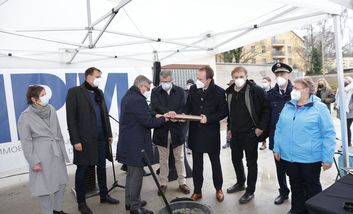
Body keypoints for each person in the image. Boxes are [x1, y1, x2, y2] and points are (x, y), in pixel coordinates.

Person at [273, 77, 336, 214]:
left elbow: (328, 134)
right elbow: (279, 128)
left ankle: (314, 210)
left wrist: (327, 157)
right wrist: (277, 148)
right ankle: (297, 209)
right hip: (289, 157)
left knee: (311, 187)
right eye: (293, 88)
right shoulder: (288, 105)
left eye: (296, 88)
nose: (292, 90)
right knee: (295, 185)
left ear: (307, 89)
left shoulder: (319, 108)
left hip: (310, 158)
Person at [66, 67, 119, 214]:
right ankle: (81, 202)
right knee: (82, 170)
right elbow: (71, 119)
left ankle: (104, 194)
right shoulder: (75, 92)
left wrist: (108, 134)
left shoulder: (99, 92)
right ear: (88, 77)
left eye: (100, 76)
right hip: (84, 140)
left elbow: (104, 115)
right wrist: (75, 140)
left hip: (101, 138)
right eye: (97, 76)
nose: (99, 79)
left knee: (102, 168)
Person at [117, 75, 168, 214]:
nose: (148, 91)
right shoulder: (137, 100)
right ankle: (135, 207)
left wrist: (156, 114)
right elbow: (148, 122)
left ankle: (130, 201)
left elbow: (144, 113)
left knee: (131, 175)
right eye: (147, 88)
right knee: (136, 176)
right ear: (141, 86)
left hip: (130, 143)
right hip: (135, 144)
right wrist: (164, 118)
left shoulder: (130, 96)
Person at [18, 85, 70, 214]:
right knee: (43, 188)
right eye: (42, 95)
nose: (46, 97)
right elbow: (26, 141)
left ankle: (58, 210)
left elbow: (58, 130)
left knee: (61, 183)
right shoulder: (25, 116)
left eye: (45, 93)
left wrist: (63, 151)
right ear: (34, 99)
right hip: (41, 155)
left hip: (56, 152)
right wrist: (33, 161)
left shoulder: (51, 109)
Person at [226, 66, 270, 204]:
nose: (239, 79)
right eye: (236, 77)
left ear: (246, 76)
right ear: (232, 78)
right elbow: (230, 113)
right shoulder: (230, 92)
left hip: (251, 133)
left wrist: (261, 128)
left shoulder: (256, 90)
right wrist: (229, 128)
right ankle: (240, 183)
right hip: (235, 133)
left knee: (251, 163)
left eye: (241, 76)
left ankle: (250, 190)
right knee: (235, 159)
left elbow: (266, 109)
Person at [185, 65, 228, 202]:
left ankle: (218, 189)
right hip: (196, 133)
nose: (198, 81)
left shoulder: (219, 92)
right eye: (197, 78)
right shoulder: (192, 89)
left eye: (201, 79)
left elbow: (223, 112)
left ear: (209, 79)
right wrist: (181, 115)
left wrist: (209, 119)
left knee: (215, 163)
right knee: (197, 165)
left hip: (211, 134)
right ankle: (197, 191)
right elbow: (188, 107)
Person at [151, 70, 190, 195]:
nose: (165, 83)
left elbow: (183, 107)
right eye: (162, 81)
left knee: (180, 158)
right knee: (163, 159)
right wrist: (169, 113)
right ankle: (163, 183)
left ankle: (182, 183)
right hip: (162, 130)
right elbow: (155, 106)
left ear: (172, 80)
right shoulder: (155, 91)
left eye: (167, 81)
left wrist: (175, 114)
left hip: (177, 129)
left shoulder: (180, 91)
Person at [266, 62, 293, 205]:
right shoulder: (270, 94)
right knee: (280, 167)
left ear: (288, 74)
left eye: (282, 74)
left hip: (293, 138)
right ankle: (283, 192)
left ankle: (299, 193)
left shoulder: (296, 92)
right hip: (276, 137)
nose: (279, 76)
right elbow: (267, 116)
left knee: (295, 168)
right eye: (277, 74)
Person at [335, 76, 353, 147]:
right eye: (344, 80)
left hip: (350, 112)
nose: (345, 81)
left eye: (347, 80)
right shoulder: (340, 90)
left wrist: (349, 107)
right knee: (344, 128)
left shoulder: (351, 89)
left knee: (346, 127)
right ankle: (345, 142)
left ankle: (348, 142)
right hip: (342, 112)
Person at [259, 76, 272, 150]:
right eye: (263, 82)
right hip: (263, 113)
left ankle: (271, 142)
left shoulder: (273, 91)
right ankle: (263, 143)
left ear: (269, 82)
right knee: (263, 129)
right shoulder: (261, 91)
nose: (264, 83)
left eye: (265, 82)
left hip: (271, 113)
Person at [184, 79, 194, 154]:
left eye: (191, 84)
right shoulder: (184, 92)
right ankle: (187, 147)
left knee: (193, 132)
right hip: (186, 116)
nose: (189, 85)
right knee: (186, 132)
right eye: (188, 84)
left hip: (194, 116)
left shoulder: (195, 92)